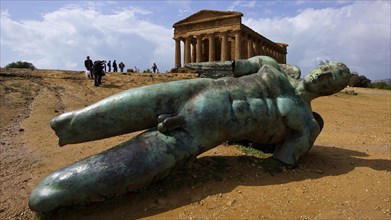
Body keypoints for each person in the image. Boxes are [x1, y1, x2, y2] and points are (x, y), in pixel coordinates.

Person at [30, 56, 350, 212]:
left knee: (56, 193)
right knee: (81, 120)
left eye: (334, 77)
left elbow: (281, 161)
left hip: (202, 133)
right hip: (191, 91)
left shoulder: (306, 124)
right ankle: (67, 129)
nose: (325, 74)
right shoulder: (273, 65)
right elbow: (228, 66)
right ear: (319, 66)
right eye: (328, 67)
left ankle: (55, 193)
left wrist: (263, 140)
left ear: (333, 90)